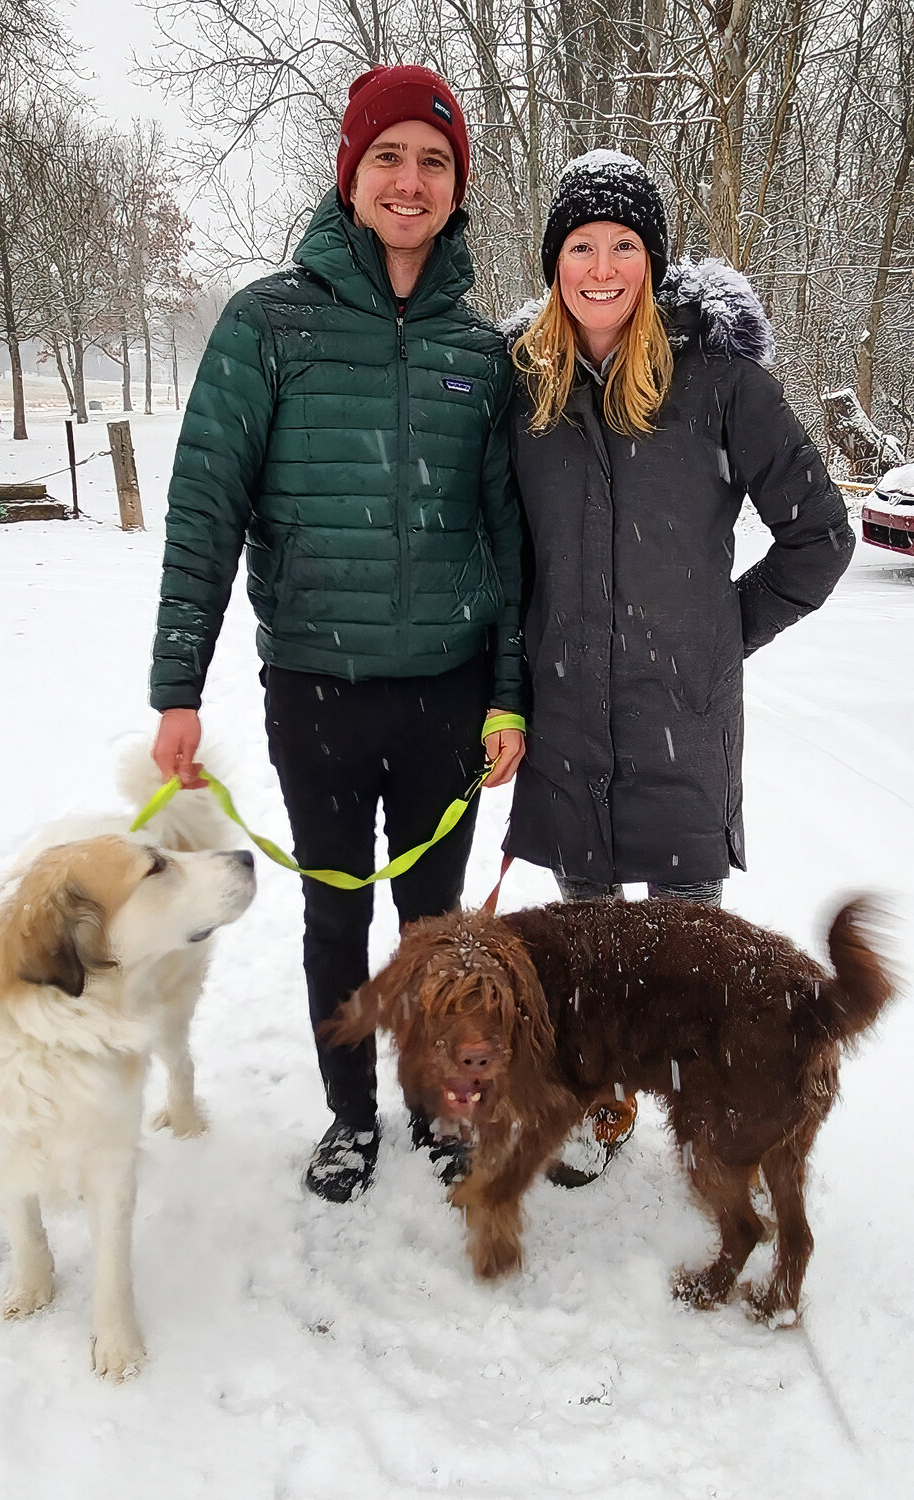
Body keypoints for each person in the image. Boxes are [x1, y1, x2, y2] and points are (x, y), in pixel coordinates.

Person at [149, 65, 526, 1202]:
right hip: (313, 685)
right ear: (350, 175)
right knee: (333, 910)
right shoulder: (269, 324)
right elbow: (204, 505)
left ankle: (432, 1106)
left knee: (432, 925)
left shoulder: (479, 350)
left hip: (445, 695)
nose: (409, 183)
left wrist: (507, 692)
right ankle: (349, 1113)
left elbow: (508, 538)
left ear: (455, 189)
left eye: (433, 163)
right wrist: (178, 683)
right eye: (388, 158)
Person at [505, 149, 855, 1184]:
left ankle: (709, 1106)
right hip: (566, 715)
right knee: (583, 932)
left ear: (651, 265)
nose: (600, 267)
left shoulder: (720, 385)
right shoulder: (525, 386)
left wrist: (717, 631)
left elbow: (818, 536)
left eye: (622, 247)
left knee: (686, 944)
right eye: (579, 247)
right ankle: (602, 1102)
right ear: (553, 263)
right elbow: (500, 546)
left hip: (679, 717)